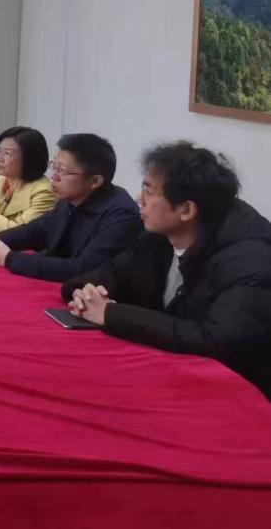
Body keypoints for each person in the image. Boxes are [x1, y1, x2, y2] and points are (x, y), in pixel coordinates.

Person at [65, 142, 271, 397]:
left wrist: (111, 314)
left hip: (237, 393)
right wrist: (86, 293)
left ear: (186, 210)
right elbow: (107, 275)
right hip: (165, 372)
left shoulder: (251, 260)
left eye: (149, 191)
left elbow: (216, 341)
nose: (139, 199)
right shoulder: (159, 235)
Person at [0, 133, 141, 282]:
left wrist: (9, 258)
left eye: (62, 170)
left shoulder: (122, 216)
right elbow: (35, 231)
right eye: (54, 166)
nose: (53, 176)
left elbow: (83, 269)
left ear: (95, 181)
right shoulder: (70, 199)